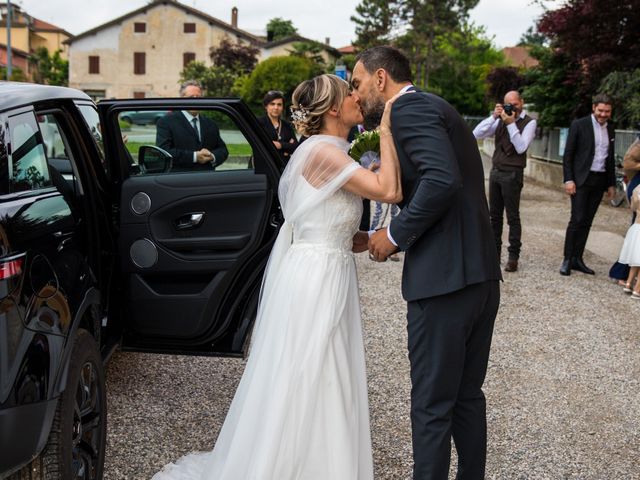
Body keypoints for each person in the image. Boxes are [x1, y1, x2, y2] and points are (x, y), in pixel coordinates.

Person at [151, 74, 403, 480]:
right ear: (334, 109)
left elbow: (327, 219)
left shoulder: (334, 150)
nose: (359, 97)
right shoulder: (324, 153)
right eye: (350, 93)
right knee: (311, 370)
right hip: (316, 277)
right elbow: (388, 191)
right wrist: (387, 132)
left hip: (329, 266)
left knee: (327, 369)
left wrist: (360, 237)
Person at [353, 46, 501, 480]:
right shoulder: (437, 105)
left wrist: (394, 237)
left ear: (381, 79)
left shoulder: (407, 109)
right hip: (477, 277)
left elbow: (441, 180)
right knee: (466, 396)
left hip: (443, 283)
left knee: (433, 404)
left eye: (359, 84)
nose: (356, 95)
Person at [473, 91, 537, 272]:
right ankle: (494, 255)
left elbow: (521, 147)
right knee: (494, 217)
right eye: (508, 104)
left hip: (513, 174)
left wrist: (510, 124)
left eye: (515, 104)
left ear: (521, 103)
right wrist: (494, 116)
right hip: (496, 172)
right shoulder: (500, 119)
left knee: (513, 217)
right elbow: (476, 133)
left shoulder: (529, 122)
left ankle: (513, 257)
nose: (511, 107)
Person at [559, 94, 616, 276]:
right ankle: (567, 259)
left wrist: (611, 184)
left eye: (607, 111)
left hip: (599, 180)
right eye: (600, 110)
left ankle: (578, 258)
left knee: (587, 221)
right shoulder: (579, 125)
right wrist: (568, 179)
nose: (603, 114)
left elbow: (610, 158)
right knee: (577, 219)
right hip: (580, 180)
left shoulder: (611, 129)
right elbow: (568, 155)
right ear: (593, 108)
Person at [156, 80, 228, 172]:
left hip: (208, 180)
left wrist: (212, 156)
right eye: (191, 97)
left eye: (198, 97)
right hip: (181, 180)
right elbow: (164, 152)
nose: (195, 100)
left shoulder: (210, 123)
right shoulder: (166, 122)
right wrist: (194, 156)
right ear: (181, 98)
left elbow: (223, 150)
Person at [257, 90, 299, 164]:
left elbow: (295, 147)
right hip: (264, 165)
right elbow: (260, 145)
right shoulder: (259, 123)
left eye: (279, 104)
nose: (276, 107)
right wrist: (287, 147)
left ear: (283, 107)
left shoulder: (287, 125)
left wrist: (280, 145)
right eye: (272, 104)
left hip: (283, 166)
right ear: (266, 106)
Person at [617, 187, 640, 298]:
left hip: (636, 228)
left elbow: (633, 207)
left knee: (635, 260)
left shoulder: (637, 189)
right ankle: (637, 290)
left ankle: (628, 283)